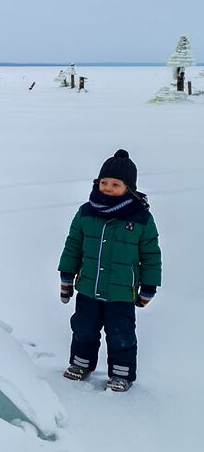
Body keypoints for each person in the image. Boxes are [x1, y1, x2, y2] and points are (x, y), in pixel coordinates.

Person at [58, 149, 161, 392]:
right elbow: (73, 245)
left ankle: (121, 374)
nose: (107, 187)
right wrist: (66, 277)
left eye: (115, 184)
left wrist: (148, 286)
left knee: (121, 333)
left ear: (129, 188)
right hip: (88, 287)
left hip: (122, 292)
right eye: (104, 182)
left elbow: (151, 255)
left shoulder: (141, 219)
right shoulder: (86, 212)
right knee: (83, 328)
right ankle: (81, 364)